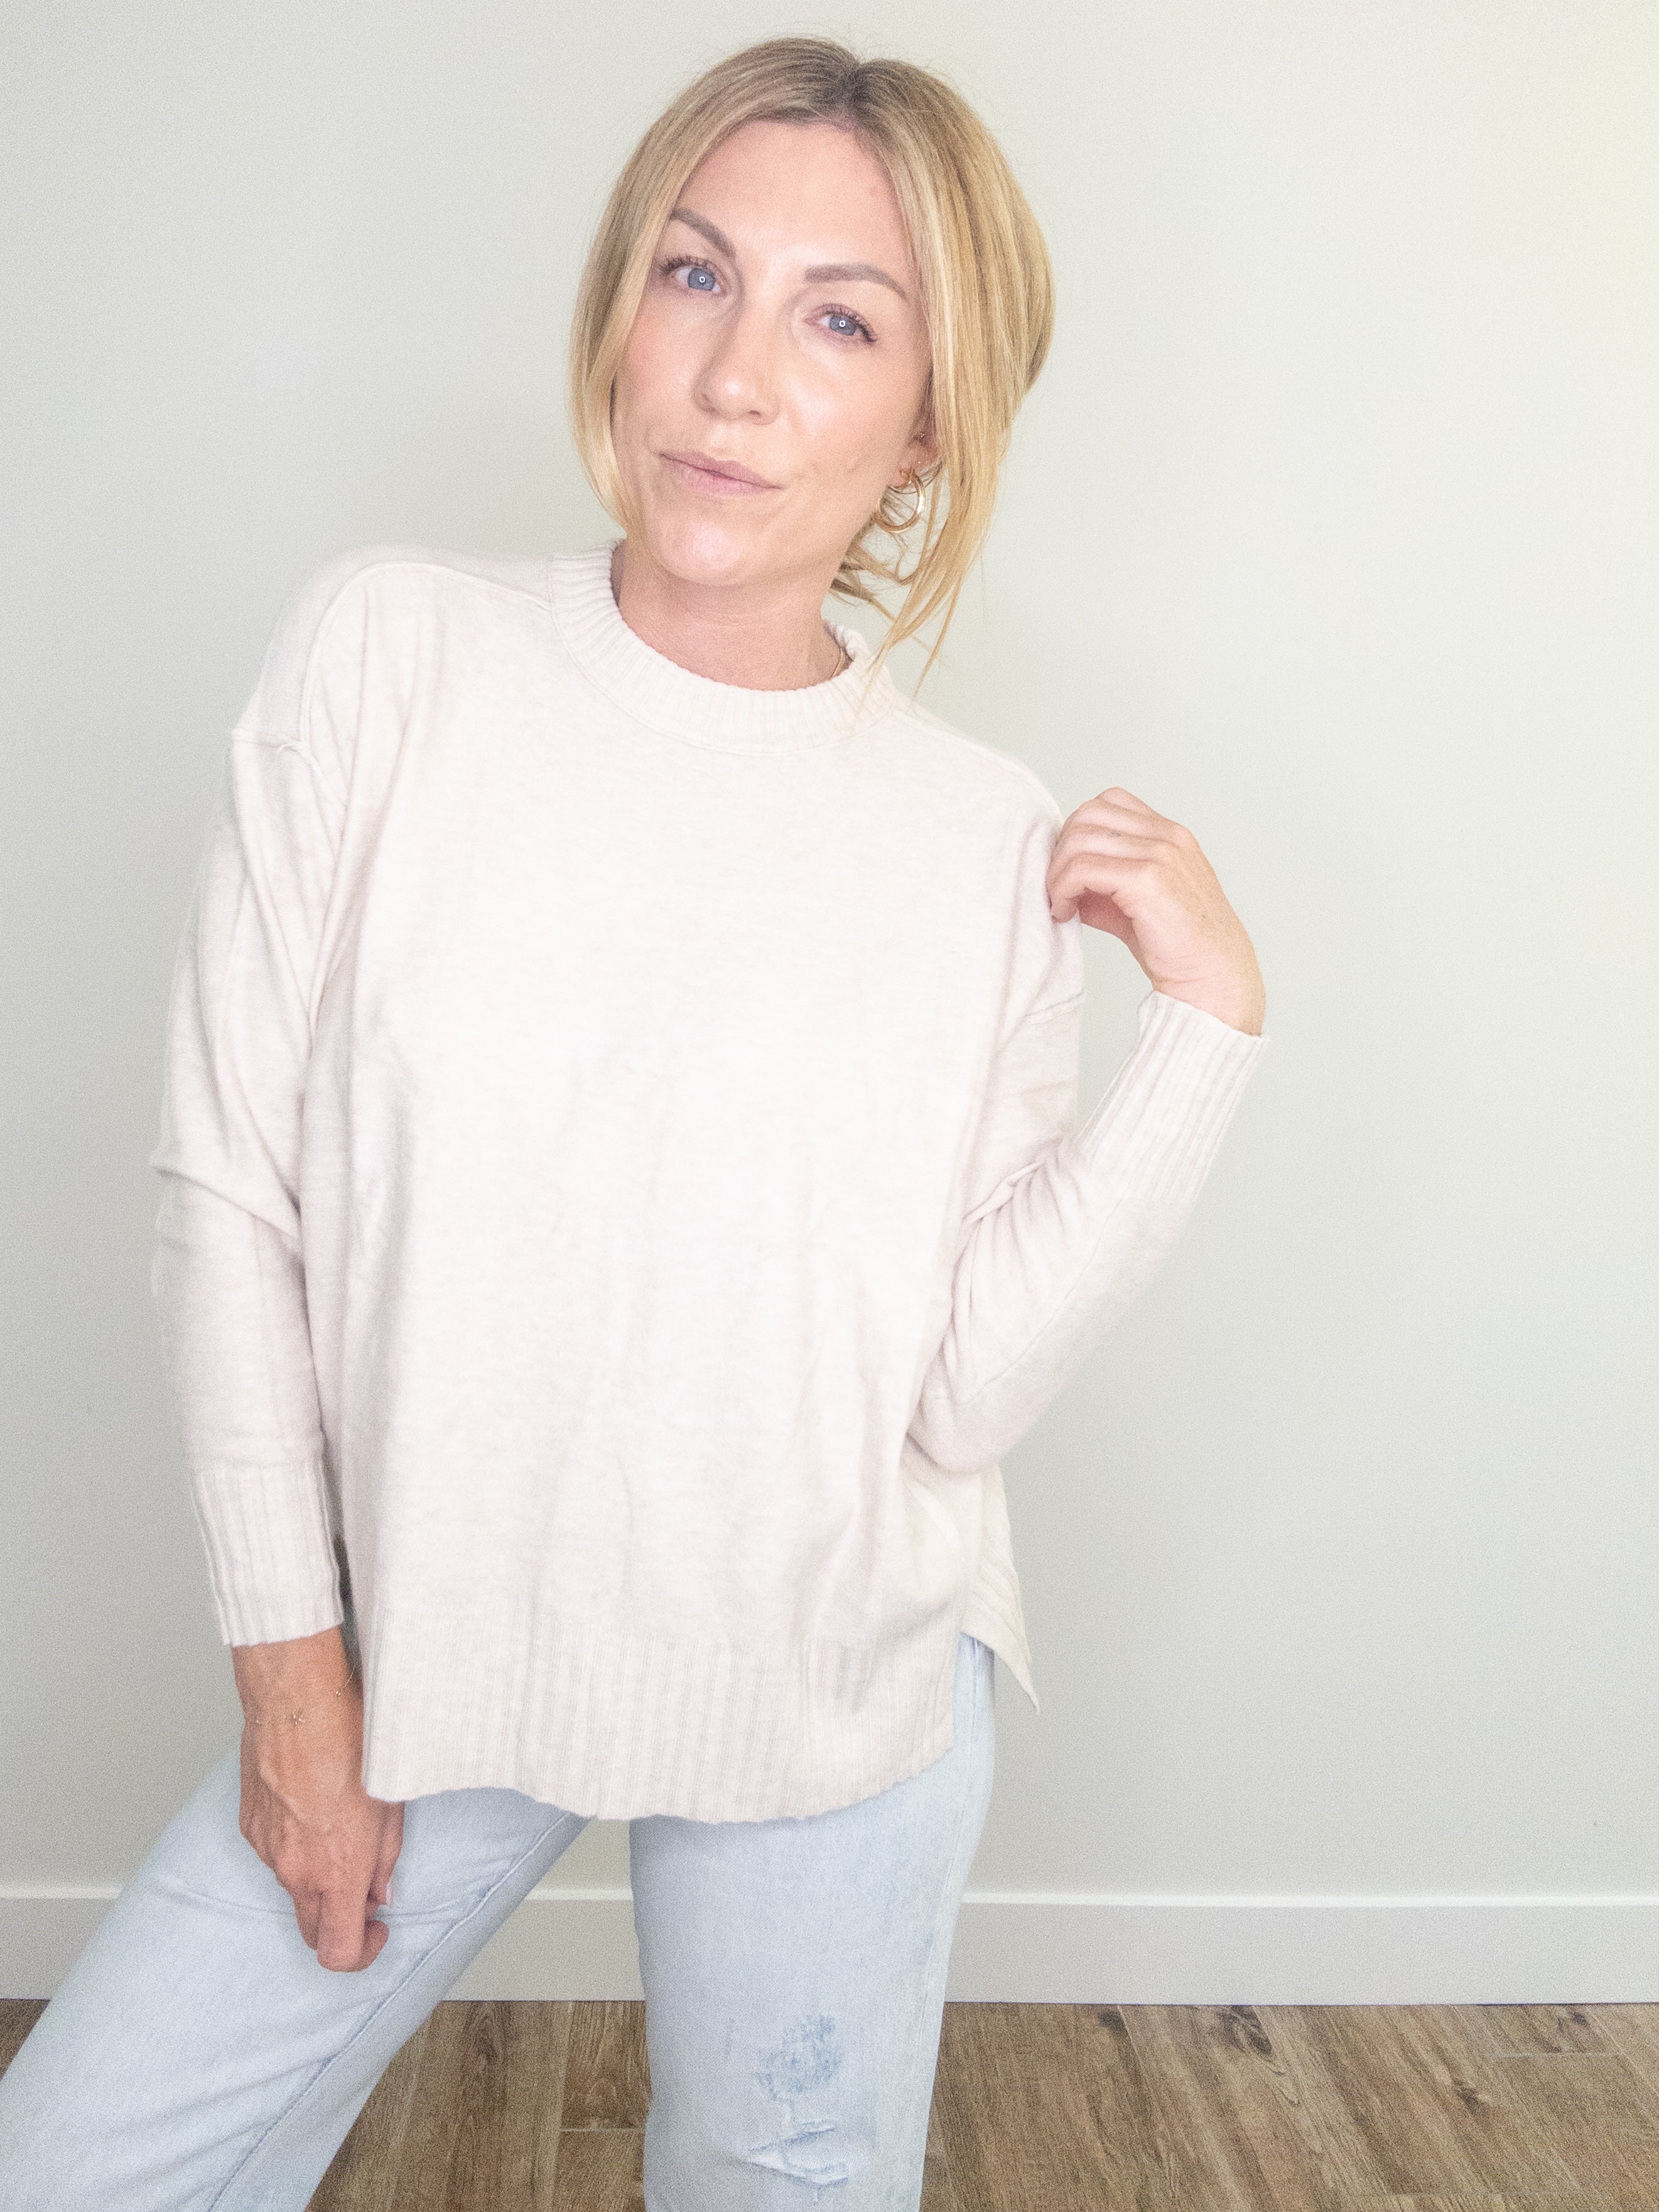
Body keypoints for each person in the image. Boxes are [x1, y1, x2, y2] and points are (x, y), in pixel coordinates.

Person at [0, 34, 1267, 2211]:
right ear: (620, 303)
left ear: (929, 422)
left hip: (830, 1675)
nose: (733, 375)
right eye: (695, 274)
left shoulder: (978, 837)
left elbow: (959, 1393)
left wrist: (1208, 1032)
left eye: (839, 321)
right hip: (429, 1637)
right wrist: (296, 1688)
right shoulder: (388, 654)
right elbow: (231, 1199)